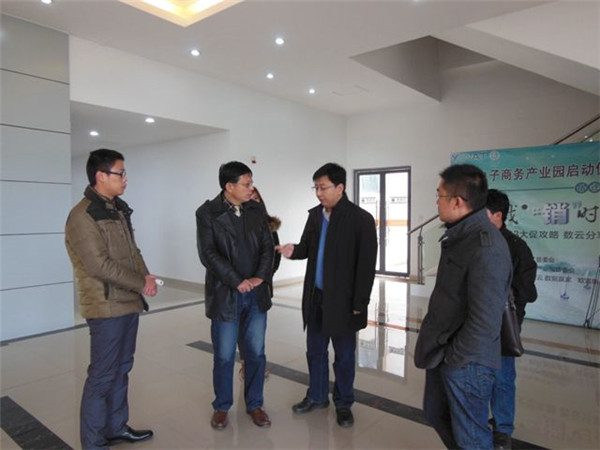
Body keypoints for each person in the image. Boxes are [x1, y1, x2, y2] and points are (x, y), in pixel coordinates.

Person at [414, 164, 512, 449]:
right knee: (436, 414)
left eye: (439, 195)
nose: (436, 201)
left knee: (471, 437)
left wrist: (454, 359)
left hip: (466, 362)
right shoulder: (461, 235)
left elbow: (485, 321)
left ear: (457, 201)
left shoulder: (486, 247)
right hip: (445, 351)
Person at [65, 149, 158, 450]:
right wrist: (140, 282)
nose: (125, 179)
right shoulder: (82, 216)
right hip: (106, 307)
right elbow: (98, 265)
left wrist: (146, 277)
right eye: (121, 173)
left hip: (127, 301)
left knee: (122, 369)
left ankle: (116, 428)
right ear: (100, 176)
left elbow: (133, 251)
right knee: (102, 376)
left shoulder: (117, 209)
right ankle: (92, 443)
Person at [277, 162, 377, 428]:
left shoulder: (360, 219)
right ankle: (317, 396)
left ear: (340, 187)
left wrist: (360, 302)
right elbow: (307, 247)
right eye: (316, 188)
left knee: (344, 357)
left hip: (344, 302)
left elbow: (366, 265)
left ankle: (343, 404)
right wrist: (293, 250)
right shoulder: (315, 216)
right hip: (316, 297)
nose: (319, 193)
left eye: (323, 187)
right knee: (315, 351)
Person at [196, 161, 275, 430]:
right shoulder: (207, 213)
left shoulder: (256, 209)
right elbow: (208, 253)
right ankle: (221, 406)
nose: (251, 188)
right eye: (246, 184)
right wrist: (236, 281)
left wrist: (259, 278)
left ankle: (255, 404)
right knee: (224, 355)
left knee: (256, 353)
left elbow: (268, 246)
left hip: (256, 294)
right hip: (225, 295)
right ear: (229, 187)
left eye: (251, 183)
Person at [486, 189, 538, 450]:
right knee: (480, 374)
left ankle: (503, 428)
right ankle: (484, 417)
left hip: (504, 324)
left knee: (503, 377)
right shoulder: (475, 242)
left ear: (498, 215)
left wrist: (503, 295)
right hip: (476, 322)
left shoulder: (516, 247)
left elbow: (528, 291)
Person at [239, 186, 282, 379]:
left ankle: (257, 365)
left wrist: (262, 277)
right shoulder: (235, 224)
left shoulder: (269, 226)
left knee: (256, 330)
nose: (253, 202)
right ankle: (245, 362)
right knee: (241, 329)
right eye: (249, 198)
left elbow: (275, 257)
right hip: (239, 286)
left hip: (260, 288)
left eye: (256, 198)